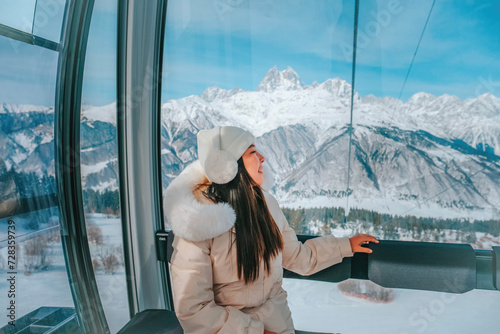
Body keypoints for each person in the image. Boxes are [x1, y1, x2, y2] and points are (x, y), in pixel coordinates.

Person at [163, 126, 378, 334]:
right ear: (229, 165)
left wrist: (345, 246)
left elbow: (298, 257)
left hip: (278, 324)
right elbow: (193, 309)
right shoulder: (198, 222)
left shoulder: (267, 205)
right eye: (253, 152)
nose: (263, 158)